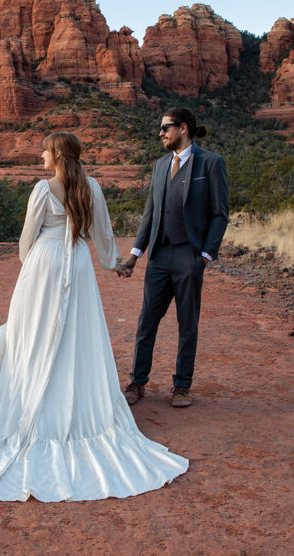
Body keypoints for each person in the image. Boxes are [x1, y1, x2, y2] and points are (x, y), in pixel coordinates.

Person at [0, 132, 188, 501]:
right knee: (76, 337)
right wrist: (115, 265)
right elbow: (103, 236)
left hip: (44, 266)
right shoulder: (92, 187)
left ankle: (33, 396)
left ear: (58, 154)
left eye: (45, 150)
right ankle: (73, 404)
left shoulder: (43, 190)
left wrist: (31, 266)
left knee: (32, 335)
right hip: (78, 265)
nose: (40, 155)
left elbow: (26, 242)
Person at [119, 108, 229, 408]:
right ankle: (137, 382)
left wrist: (204, 256)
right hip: (159, 256)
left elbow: (220, 214)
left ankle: (182, 387)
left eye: (165, 128)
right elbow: (149, 213)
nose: (161, 133)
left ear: (183, 128)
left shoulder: (211, 162)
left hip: (189, 256)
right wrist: (134, 255)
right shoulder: (159, 166)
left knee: (187, 324)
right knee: (146, 322)